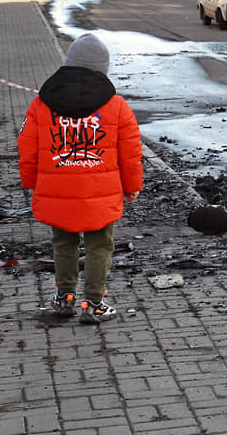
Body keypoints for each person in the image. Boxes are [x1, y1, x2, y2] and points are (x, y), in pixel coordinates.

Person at [17, 33, 142, 324]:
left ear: (70, 63)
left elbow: (26, 145)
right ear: (102, 69)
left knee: (63, 244)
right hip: (101, 192)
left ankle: (64, 298)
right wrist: (133, 186)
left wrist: (32, 183)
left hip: (57, 189)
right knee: (100, 246)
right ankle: (94, 304)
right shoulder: (117, 106)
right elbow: (131, 152)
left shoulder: (42, 103)